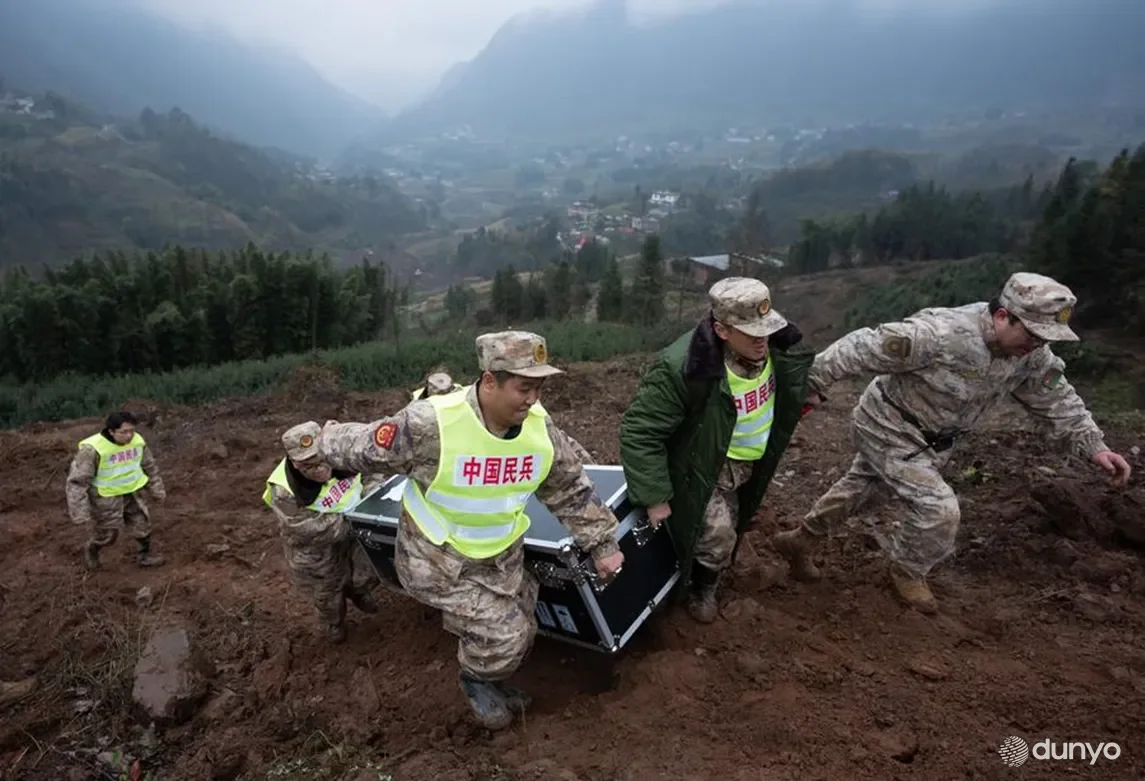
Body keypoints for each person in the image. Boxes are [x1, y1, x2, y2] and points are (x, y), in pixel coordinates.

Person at [309, 330, 625, 730]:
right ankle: (476, 681)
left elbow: (568, 487)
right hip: (437, 561)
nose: (532, 399)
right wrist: (322, 440)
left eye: (539, 388)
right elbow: (367, 446)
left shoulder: (539, 429)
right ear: (489, 381)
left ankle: (491, 668)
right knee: (505, 634)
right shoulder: (432, 425)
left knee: (524, 624)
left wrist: (602, 544)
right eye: (523, 388)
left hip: (500, 555)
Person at [773, 271, 1133, 614]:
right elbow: (858, 347)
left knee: (866, 489)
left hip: (934, 442)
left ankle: (801, 541)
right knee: (939, 510)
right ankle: (907, 572)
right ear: (1005, 316)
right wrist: (811, 386)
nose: (1038, 345)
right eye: (1033, 334)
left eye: (1045, 338)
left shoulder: (1031, 356)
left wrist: (1095, 446)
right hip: (886, 425)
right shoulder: (939, 334)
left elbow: (1057, 399)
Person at [618, 277, 815, 623]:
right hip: (704, 465)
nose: (762, 341)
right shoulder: (684, 368)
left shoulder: (779, 348)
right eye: (752, 334)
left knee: (736, 520)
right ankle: (700, 587)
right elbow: (640, 431)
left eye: (766, 330)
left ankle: (707, 564)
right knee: (718, 533)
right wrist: (654, 496)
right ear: (722, 331)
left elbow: (792, 382)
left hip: (751, 460)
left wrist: (804, 397)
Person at [262, 423, 380, 643]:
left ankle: (359, 592)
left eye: (321, 459)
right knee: (329, 594)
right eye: (309, 466)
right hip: (317, 551)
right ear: (295, 464)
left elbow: (374, 473)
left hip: (353, 534)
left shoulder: (345, 452)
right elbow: (311, 529)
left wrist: (371, 497)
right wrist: (359, 517)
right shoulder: (284, 490)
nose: (320, 469)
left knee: (366, 572)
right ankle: (334, 624)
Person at [66, 411, 167, 570]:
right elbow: (77, 482)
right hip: (105, 497)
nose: (129, 436)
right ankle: (93, 549)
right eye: (123, 432)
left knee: (142, 524)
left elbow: (149, 467)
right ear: (111, 431)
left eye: (131, 431)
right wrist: (80, 512)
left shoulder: (137, 442)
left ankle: (144, 556)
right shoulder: (92, 450)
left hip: (131, 492)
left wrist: (156, 489)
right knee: (108, 535)